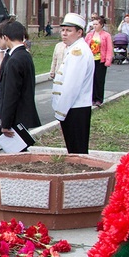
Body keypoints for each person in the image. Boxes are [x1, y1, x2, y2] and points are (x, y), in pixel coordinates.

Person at [50, 13, 95, 154]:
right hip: (73, 107)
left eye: (69, 30)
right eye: (63, 30)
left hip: (75, 108)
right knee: (74, 149)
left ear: (79, 32)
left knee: (77, 151)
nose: (64, 34)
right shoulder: (74, 49)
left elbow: (71, 86)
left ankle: (81, 176)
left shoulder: (78, 51)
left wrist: (61, 112)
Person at [0, 20, 41, 139]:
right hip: (21, 114)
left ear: (6, 37)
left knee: (17, 154)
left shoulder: (15, 60)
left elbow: (12, 93)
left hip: (16, 116)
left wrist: (6, 123)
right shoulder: (23, 55)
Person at [85, 16, 113, 107]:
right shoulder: (89, 35)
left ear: (101, 25)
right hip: (91, 60)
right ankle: (92, 98)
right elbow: (85, 47)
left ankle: (99, 99)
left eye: (96, 24)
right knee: (91, 80)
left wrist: (108, 60)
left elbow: (109, 49)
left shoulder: (106, 35)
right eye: (93, 24)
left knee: (99, 80)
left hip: (101, 61)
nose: (94, 26)